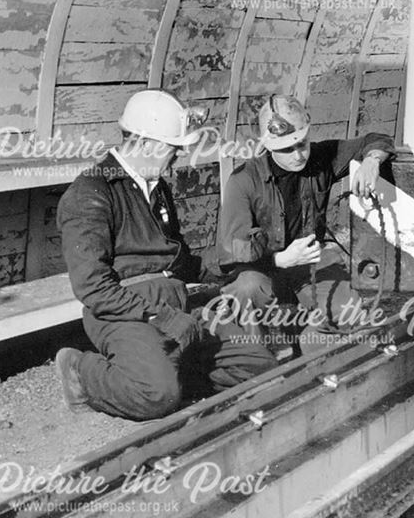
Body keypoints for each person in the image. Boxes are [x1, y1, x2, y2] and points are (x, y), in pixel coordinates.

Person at [55, 89, 277, 419]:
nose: (178, 157)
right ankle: (81, 370)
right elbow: (93, 289)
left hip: (173, 305)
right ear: (147, 144)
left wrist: (239, 265)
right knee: (156, 395)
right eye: (174, 149)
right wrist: (162, 317)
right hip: (127, 314)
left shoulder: (156, 188)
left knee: (259, 366)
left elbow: (180, 261)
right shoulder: (92, 192)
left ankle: (168, 370)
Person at [215, 94, 394, 342]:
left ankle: (312, 348)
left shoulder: (320, 157)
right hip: (263, 268)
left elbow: (377, 139)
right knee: (247, 288)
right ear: (268, 146)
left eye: (302, 143)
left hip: (309, 263)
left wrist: (372, 161)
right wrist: (279, 259)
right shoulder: (243, 180)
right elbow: (232, 253)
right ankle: (255, 362)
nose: (298, 154)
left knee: (348, 312)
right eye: (287, 149)